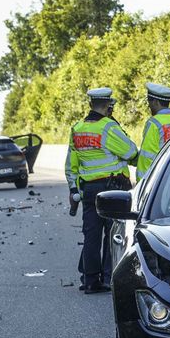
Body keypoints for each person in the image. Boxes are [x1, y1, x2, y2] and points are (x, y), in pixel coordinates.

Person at [65, 87, 138, 294]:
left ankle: (89, 281)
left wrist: (73, 188)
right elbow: (131, 151)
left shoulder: (77, 128)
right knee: (113, 234)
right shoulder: (108, 128)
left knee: (91, 234)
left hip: (88, 190)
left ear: (90, 104)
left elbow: (71, 165)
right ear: (107, 106)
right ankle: (108, 278)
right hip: (111, 188)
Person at [135, 82, 170, 179]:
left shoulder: (154, 123)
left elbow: (147, 156)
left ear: (155, 102)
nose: (149, 106)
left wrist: (142, 182)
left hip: (159, 177)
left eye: (149, 102)